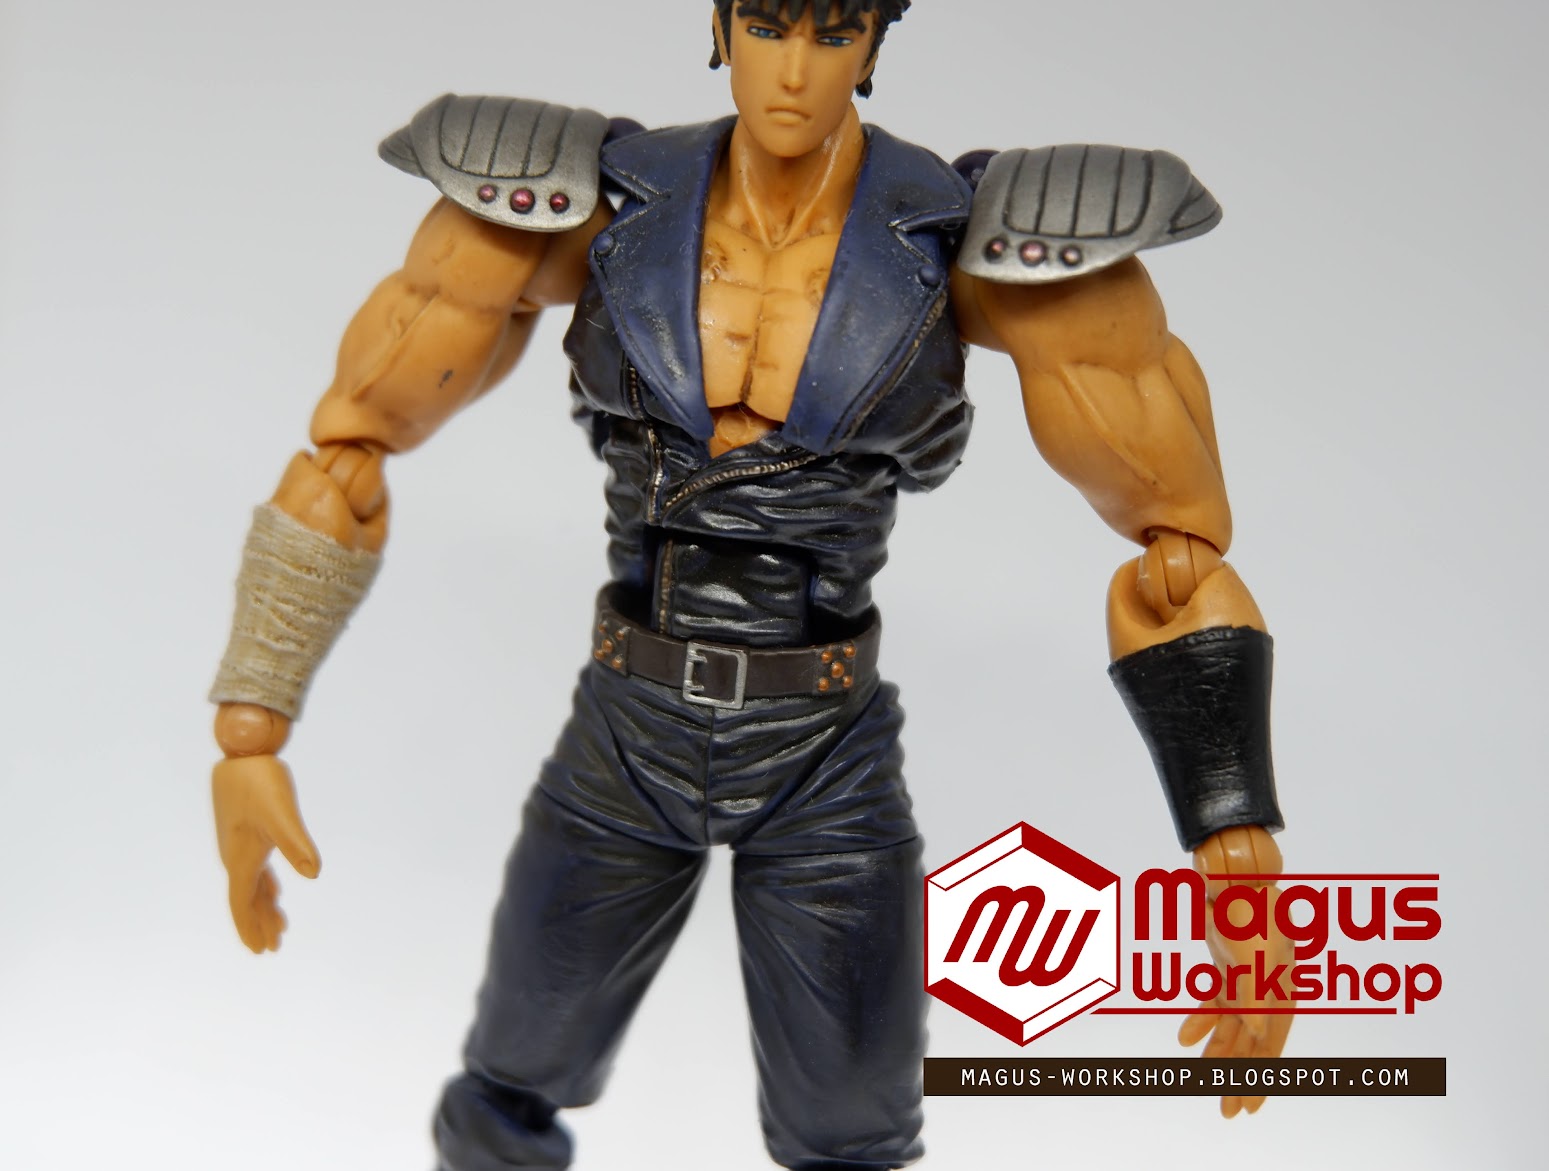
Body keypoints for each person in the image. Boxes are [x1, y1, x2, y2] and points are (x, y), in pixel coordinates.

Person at [207, 2, 1292, 1167]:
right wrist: (249, 727)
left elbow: (1176, 560)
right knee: (507, 1083)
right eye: (767, 24)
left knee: (850, 1132)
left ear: (872, 45)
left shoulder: (967, 239)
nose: (791, 71)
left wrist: (1234, 845)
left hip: (820, 750)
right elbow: (347, 455)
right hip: (625, 734)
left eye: (831, 31)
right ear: (720, 26)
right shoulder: (586, 203)